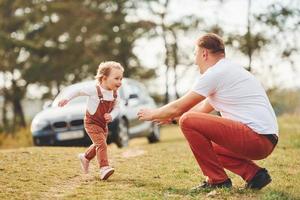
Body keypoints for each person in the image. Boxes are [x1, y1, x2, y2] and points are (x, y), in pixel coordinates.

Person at [137, 33, 278, 190]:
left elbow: (180, 108)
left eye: (195, 53)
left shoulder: (215, 73)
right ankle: (255, 175)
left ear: (204, 53)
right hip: (265, 140)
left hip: (256, 138)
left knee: (187, 120)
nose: (195, 60)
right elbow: (201, 109)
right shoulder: (229, 70)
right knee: (208, 147)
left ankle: (217, 180)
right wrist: (172, 118)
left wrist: (153, 113)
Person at [58, 61, 124, 180]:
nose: (119, 82)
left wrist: (112, 115)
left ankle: (85, 157)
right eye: (116, 78)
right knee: (102, 144)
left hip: (103, 124)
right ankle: (104, 168)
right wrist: (66, 98)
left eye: (121, 78)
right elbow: (78, 91)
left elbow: (117, 108)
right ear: (104, 78)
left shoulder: (115, 94)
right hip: (91, 122)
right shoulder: (94, 90)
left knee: (99, 143)